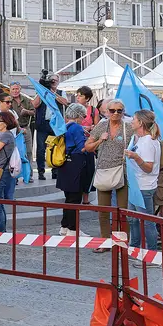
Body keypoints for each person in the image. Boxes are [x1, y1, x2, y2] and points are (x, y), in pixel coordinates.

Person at [85, 99, 133, 253]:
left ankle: (121, 243)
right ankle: (105, 241)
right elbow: (87, 146)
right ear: (107, 112)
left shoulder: (128, 128)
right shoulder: (101, 126)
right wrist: (100, 140)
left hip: (122, 172)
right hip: (104, 170)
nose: (116, 113)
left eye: (119, 110)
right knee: (103, 211)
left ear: (123, 112)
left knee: (122, 211)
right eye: (112, 110)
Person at [124, 109, 161, 266]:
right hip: (136, 185)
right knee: (133, 220)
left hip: (144, 187)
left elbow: (148, 168)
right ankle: (135, 249)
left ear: (140, 123)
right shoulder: (140, 139)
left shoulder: (148, 142)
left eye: (134, 119)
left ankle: (152, 256)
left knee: (147, 221)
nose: (131, 121)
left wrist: (136, 157)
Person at [55, 104, 93, 237]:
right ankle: (73, 229)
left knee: (69, 198)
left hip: (65, 164)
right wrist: (95, 141)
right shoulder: (77, 127)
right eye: (83, 116)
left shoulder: (64, 127)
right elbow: (82, 148)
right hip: (76, 165)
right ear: (78, 115)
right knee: (75, 199)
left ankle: (64, 226)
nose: (84, 119)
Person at [33, 73, 69, 180]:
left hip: (55, 125)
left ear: (58, 82)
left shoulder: (61, 92)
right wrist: (42, 90)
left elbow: (65, 102)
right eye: (51, 80)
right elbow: (35, 104)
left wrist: (53, 92)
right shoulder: (42, 91)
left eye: (55, 80)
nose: (53, 82)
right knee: (41, 149)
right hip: (43, 124)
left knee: (56, 147)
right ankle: (41, 171)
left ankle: (55, 171)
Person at [9, 82, 35, 177]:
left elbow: (33, 112)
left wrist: (27, 111)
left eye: (17, 89)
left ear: (20, 89)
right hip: (13, 129)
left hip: (25, 128)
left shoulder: (26, 99)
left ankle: (29, 174)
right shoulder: (8, 100)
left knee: (28, 151)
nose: (15, 91)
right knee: (14, 152)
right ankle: (14, 175)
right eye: (13, 89)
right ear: (10, 90)